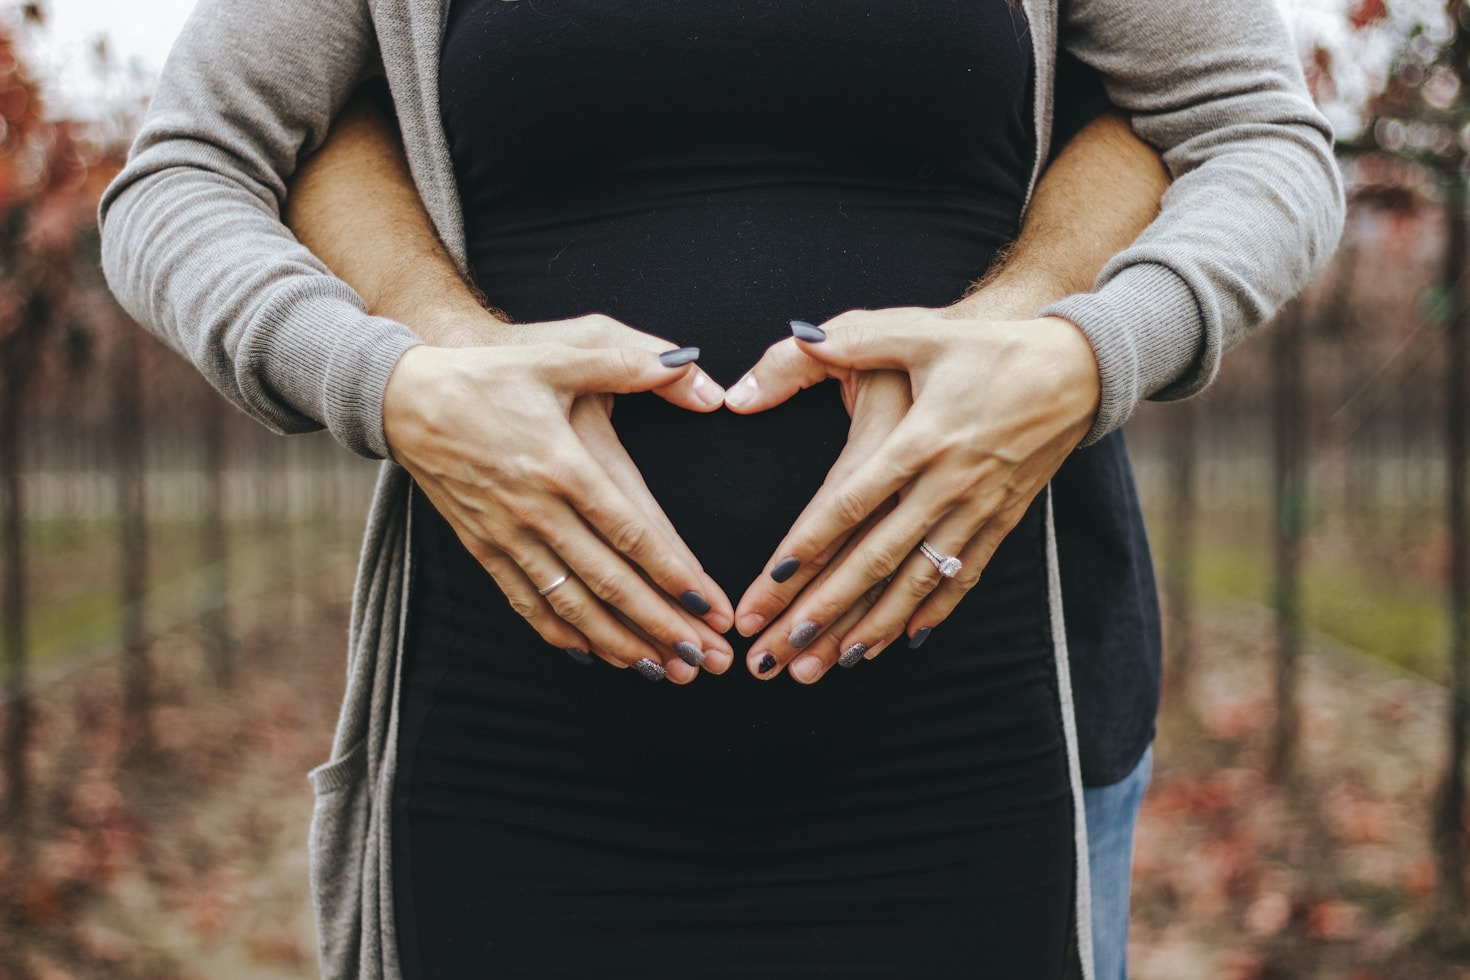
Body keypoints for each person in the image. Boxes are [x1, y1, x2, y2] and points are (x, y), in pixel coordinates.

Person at [99, 1, 1343, 978]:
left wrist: (1080, 349)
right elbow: (186, 173)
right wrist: (397, 380)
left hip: (975, 745)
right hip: (514, 755)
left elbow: (1250, 129)